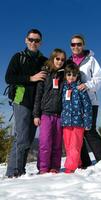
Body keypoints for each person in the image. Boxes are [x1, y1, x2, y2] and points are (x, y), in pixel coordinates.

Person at [5, 29, 47, 178]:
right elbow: (9, 78)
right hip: (21, 100)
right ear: (26, 40)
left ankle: (20, 170)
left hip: (37, 103)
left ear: (40, 42)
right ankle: (12, 172)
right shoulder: (18, 57)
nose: (33, 43)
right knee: (21, 137)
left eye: (36, 40)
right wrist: (31, 78)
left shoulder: (43, 60)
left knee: (28, 139)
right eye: (31, 39)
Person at [67, 34, 101, 168]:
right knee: (78, 131)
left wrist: (88, 85)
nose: (76, 47)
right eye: (73, 44)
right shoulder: (68, 62)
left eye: (79, 44)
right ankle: (84, 163)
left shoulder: (91, 60)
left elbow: (99, 78)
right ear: (70, 46)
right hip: (73, 103)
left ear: (83, 45)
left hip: (90, 101)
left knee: (89, 130)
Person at [33, 48, 66, 174]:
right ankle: (43, 168)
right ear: (53, 58)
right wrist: (36, 115)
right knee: (45, 143)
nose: (60, 61)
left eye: (63, 59)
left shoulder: (64, 75)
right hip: (46, 114)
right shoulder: (45, 74)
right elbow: (38, 95)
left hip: (59, 115)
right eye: (58, 58)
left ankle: (55, 167)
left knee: (57, 144)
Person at [61, 63, 92, 173]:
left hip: (78, 122)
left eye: (74, 75)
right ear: (65, 75)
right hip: (66, 123)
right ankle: (78, 163)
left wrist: (87, 123)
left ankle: (70, 167)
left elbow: (87, 106)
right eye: (69, 74)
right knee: (69, 146)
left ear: (77, 76)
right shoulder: (63, 88)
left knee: (75, 146)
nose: (71, 77)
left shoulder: (80, 89)